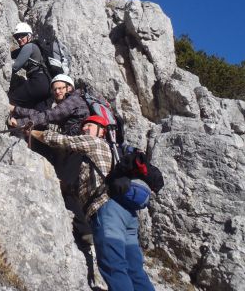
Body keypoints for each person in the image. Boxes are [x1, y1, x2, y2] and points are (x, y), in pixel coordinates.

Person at [24, 115, 156, 291]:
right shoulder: (114, 152)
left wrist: (31, 132)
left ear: (102, 132)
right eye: (84, 127)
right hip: (128, 214)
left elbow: (61, 140)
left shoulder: (95, 143)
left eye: (90, 126)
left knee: (113, 265)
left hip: (107, 210)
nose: (85, 129)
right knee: (135, 270)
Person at [9, 74, 93, 246]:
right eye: (54, 89)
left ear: (70, 87)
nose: (57, 91)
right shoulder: (68, 104)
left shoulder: (74, 100)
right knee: (66, 189)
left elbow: (49, 116)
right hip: (71, 149)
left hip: (76, 150)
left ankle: (86, 232)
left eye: (61, 88)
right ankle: (83, 232)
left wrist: (18, 119)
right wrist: (17, 115)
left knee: (66, 187)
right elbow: (41, 114)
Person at [8, 23, 51, 109]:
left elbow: (15, 67)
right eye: (17, 37)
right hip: (47, 85)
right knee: (36, 111)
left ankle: (12, 120)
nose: (19, 39)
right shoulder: (35, 47)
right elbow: (14, 54)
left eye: (22, 36)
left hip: (37, 81)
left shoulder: (29, 46)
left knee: (13, 99)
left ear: (29, 36)